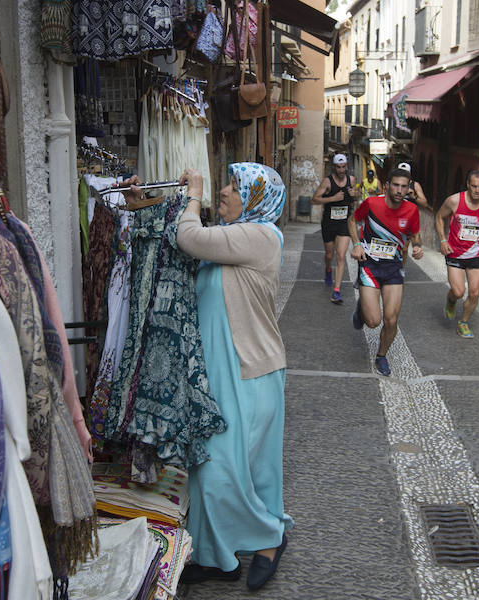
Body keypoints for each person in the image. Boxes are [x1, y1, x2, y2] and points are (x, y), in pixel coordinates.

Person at [121, 164, 292, 592]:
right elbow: (177, 235)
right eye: (227, 184)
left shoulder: (261, 237)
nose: (224, 191)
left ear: (255, 198)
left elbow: (188, 236)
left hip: (250, 372)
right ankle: (219, 557)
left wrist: (194, 192)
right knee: (225, 466)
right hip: (222, 371)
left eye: (235, 187)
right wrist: (141, 202)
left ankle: (270, 537)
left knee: (228, 468)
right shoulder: (233, 234)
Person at [348, 167, 424, 376]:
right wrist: (356, 244)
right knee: (373, 322)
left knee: (391, 319)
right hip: (370, 266)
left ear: (408, 189)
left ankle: (381, 355)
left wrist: (417, 246)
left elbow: (415, 235)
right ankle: (363, 307)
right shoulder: (372, 204)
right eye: (396, 185)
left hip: (393, 267)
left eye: (404, 186)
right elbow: (353, 220)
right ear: (387, 186)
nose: (399, 190)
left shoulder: (411, 210)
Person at [434, 169, 479, 338]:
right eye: (474, 186)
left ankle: (463, 323)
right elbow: (439, 217)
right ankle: (451, 300)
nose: (477, 190)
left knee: (475, 293)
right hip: (454, 253)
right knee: (458, 292)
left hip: (475, 255)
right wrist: (442, 240)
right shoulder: (454, 201)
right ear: (468, 185)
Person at [311, 153, 357, 304]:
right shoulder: (327, 182)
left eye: (344, 167)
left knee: (342, 256)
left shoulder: (352, 180)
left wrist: (354, 195)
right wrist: (332, 198)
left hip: (344, 223)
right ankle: (328, 269)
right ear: (334, 167)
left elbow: (354, 200)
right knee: (329, 255)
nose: (341, 170)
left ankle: (336, 291)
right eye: (338, 167)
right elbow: (314, 200)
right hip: (329, 224)